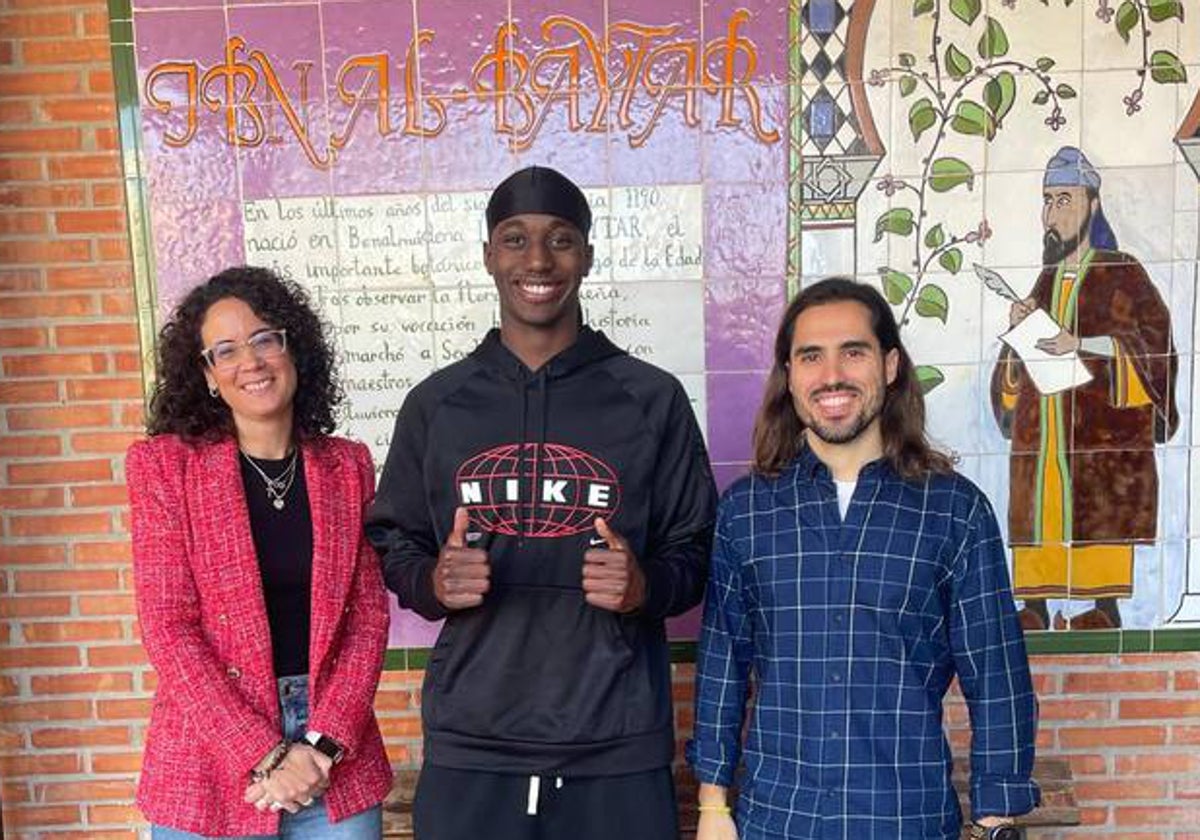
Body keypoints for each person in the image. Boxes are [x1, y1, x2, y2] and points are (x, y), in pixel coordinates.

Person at [366, 165, 717, 840]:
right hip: (475, 746)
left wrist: (646, 584)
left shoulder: (651, 399)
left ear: (587, 254)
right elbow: (393, 540)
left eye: (559, 239)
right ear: (489, 255)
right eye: (515, 238)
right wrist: (432, 582)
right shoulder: (437, 404)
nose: (537, 259)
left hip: (615, 745)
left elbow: (698, 549)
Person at [688, 278, 1039, 840]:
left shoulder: (953, 511)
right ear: (790, 375)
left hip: (906, 819)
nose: (832, 376)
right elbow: (724, 665)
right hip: (776, 820)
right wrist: (713, 806)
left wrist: (994, 817)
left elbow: (997, 678)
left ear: (890, 364)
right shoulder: (747, 512)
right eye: (810, 357)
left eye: (853, 352)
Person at [126, 266, 393, 838]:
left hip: (335, 757)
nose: (250, 361)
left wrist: (319, 747)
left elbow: (367, 619)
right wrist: (268, 752)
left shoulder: (347, 466)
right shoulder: (163, 468)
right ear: (205, 374)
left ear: (294, 349)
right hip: (209, 752)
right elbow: (167, 627)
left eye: (265, 339)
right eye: (224, 350)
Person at [991, 146, 1178, 631]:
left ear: (1092, 205)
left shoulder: (1122, 271)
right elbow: (1012, 377)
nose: (1053, 212)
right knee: (1042, 502)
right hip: (1044, 432)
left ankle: (1103, 606)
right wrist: (1019, 337)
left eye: (1065, 200)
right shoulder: (1046, 279)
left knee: (1095, 502)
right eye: (1048, 200)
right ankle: (1035, 605)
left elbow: (1154, 345)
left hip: (1101, 434)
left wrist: (1085, 345)